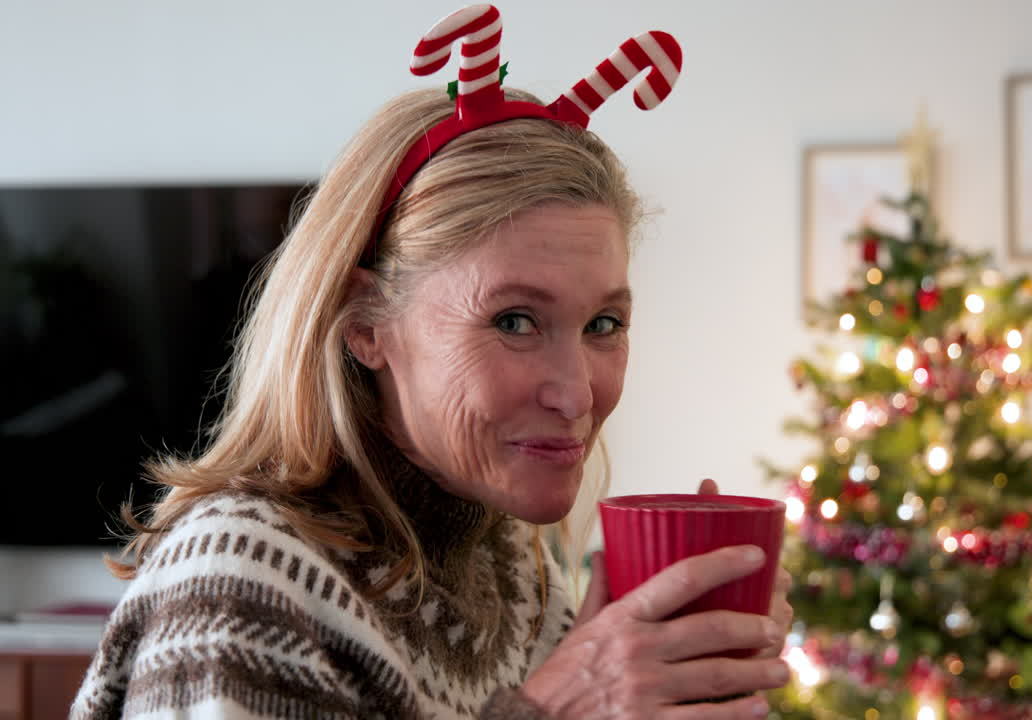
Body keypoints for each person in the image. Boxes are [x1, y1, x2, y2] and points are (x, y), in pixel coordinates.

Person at [71, 6, 793, 720]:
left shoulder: (513, 566)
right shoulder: (238, 576)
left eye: (604, 323)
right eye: (514, 320)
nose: (578, 394)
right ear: (364, 325)